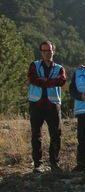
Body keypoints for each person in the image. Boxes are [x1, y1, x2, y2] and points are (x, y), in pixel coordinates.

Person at [27, 40, 67, 173]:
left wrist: (44, 80)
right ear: (41, 52)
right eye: (44, 50)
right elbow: (32, 79)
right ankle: (37, 163)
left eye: (49, 50)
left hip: (52, 105)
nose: (47, 53)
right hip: (36, 105)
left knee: (55, 134)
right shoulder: (34, 65)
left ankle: (54, 163)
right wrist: (50, 82)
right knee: (36, 135)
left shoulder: (59, 68)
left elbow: (61, 81)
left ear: (53, 51)